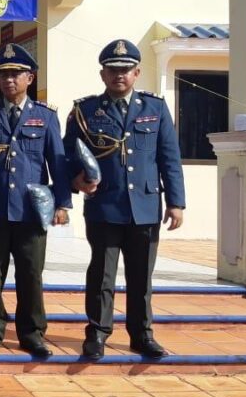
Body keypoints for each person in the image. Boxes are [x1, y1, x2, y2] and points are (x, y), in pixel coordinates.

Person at [63, 39, 185, 360]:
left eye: (126, 69)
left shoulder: (155, 108)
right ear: (102, 74)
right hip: (104, 205)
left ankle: (142, 335)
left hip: (144, 205)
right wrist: (75, 180)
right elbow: (68, 154)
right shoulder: (86, 110)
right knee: (102, 274)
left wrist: (176, 202)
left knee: (141, 276)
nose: (120, 75)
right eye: (113, 69)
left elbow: (169, 157)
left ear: (137, 73)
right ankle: (97, 333)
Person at [0, 43, 72, 358]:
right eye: (4, 74)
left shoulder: (45, 116)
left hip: (30, 211)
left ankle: (32, 334)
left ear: (29, 78)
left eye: (15, 74)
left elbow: (57, 162)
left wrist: (62, 204)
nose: (9, 80)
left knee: (30, 274)